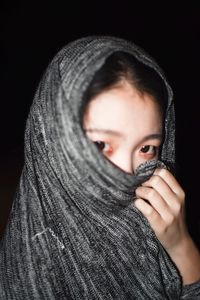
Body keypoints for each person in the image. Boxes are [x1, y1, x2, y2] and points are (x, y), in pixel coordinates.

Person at [0, 36, 199, 299]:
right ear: (50, 139)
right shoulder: (24, 279)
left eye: (146, 148)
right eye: (100, 145)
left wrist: (180, 246)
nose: (127, 172)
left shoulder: (158, 224)